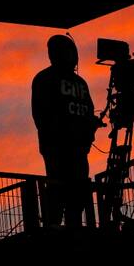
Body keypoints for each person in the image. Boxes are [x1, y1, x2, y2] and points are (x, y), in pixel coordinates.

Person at [32, 34, 101, 227]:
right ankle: (56, 225)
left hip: (76, 149)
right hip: (59, 148)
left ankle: (68, 226)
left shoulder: (77, 83)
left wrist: (88, 131)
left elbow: (87, 111)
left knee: (75, 191)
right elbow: (41, 115)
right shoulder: (46, 79)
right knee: (60, 189)